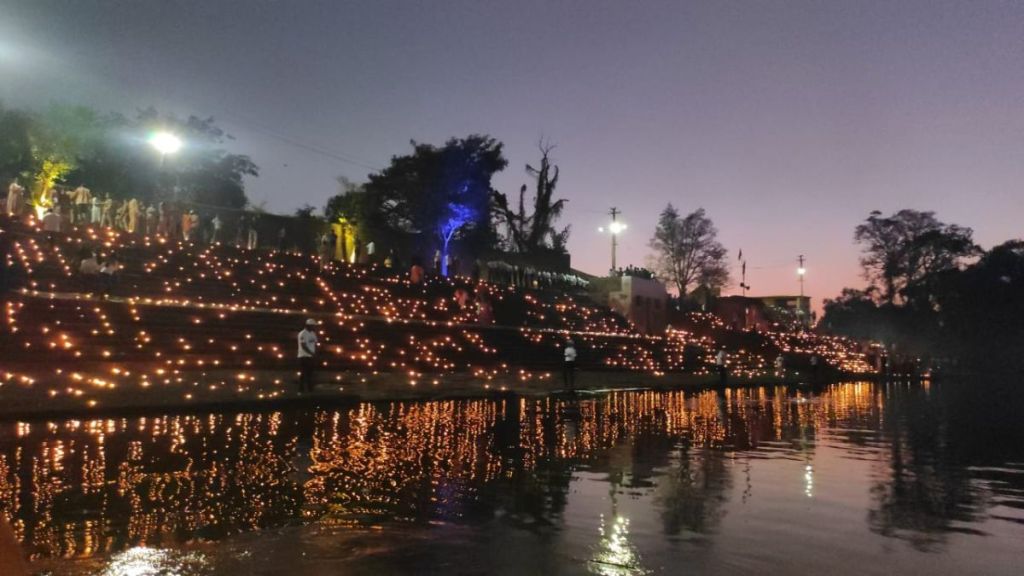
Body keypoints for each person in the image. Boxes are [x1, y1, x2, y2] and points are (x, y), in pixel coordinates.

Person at [297, 318, 318, 393]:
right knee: (303, 373)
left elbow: (315, 343)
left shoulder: (313, 333)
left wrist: (314, 353)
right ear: (308, 325)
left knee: (310, 373)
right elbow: (303, 346)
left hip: (310, 356)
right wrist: (311, 353)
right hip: (303, 356)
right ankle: (301, 389)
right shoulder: (302, 334)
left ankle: (310, 388)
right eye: (313, 326)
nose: (314, 327)